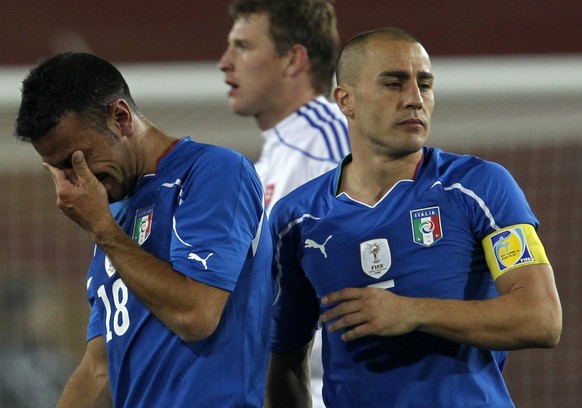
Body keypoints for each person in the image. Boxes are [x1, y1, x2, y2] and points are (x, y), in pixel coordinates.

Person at [265, 27, 562, 407]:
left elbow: (542, 318)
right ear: (345, 100)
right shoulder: (297, 219)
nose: (414, 99)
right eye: (394, 84)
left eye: (424, 84)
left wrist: (412, 311)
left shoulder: (478, 186)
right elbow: (284, 360)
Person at [15, 52, 273, 408]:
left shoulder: (213, 173)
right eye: (59, 169)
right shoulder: (114, 213)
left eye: (77, 160)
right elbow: (99, 368)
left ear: (120, 118)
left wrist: (103, 231)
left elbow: (196, 315)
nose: (75, 183)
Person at [218, 1, 350, 407]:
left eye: (242, 46)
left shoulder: (331, 143)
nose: (225, 63)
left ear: (293, 59)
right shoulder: (272, 160)